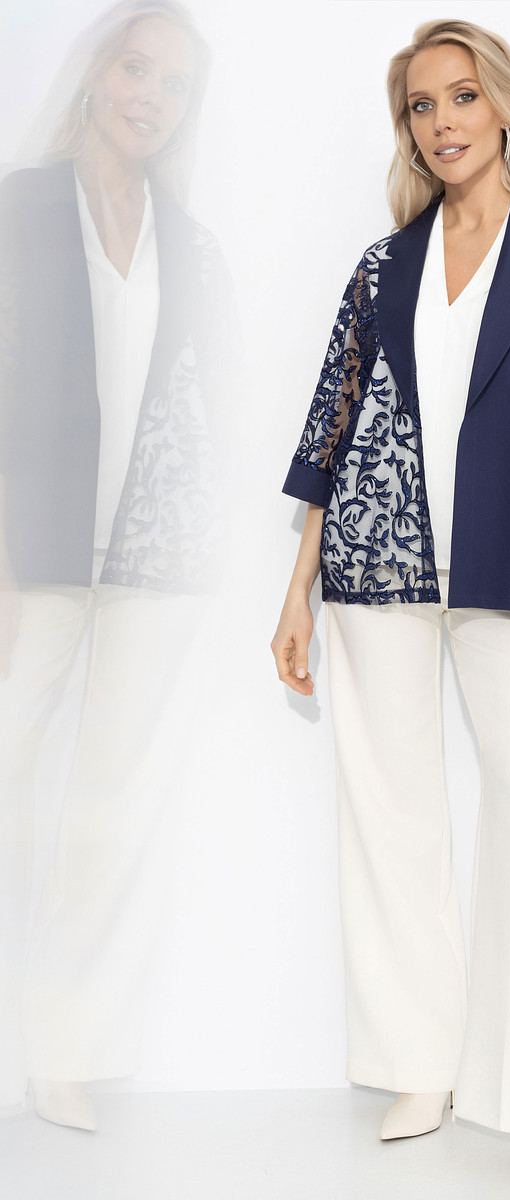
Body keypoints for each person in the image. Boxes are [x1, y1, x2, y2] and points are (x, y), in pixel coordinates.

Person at [272, 19, 510, 1197]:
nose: (442, 122)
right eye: (421, 106)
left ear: (502, 107)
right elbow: (331, 424)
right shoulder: (382, 265)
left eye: (461, 97)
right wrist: (296, 586)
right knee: (391, 815)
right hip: (377, 567)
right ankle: (417, 1065)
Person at [0, 0, 234, 1130]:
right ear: (96, 75)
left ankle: (66, 1054)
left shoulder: (193, 245)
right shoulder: (19, 209)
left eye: (175, 83)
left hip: (147, 566)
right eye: (136, 68)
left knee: (107, 811)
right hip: (26, 554)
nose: (151, 95)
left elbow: (209, 412)